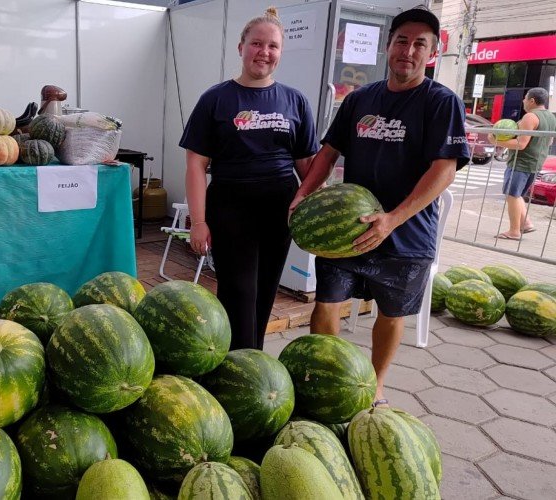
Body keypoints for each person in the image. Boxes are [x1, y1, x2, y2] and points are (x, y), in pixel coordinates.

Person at [289, 6, 470, 406]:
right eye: (401, 41)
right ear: (388, 47)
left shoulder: (441, 103)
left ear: (432, 53)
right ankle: (328, 379)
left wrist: (392, 219)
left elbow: (444, 170)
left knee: (391, 314)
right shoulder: (361, 99)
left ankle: (375, 384)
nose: (408, 51)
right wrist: (304, 192)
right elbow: (329, 151)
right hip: (348, 227)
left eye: (419, 44)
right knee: (327, 305)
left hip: (407, 234)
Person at [179, 7, 319, 350]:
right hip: (230, 206)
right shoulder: (216, 98)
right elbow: (196, 165)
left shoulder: (295, 101)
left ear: (280, 53)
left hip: (279, 207)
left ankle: (252, 362)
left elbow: (307, 166)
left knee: (266, 288)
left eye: (272, 46)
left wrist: (320, 208)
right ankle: (238, 365)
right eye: (257, 44)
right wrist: (198, 221)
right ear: (241, 47)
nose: (264, 52)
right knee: (238, 290)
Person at [490, 87, 556, 240]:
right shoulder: (551, 117)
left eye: (525, 98)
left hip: (521, 162)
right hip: (535, 161)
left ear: (532, 100)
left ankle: (514, 231)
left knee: (512, 195)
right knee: (516, 194)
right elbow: (550, 141)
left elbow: (521, 143)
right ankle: (526, 223)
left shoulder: (530, 117)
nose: (523, 100)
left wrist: (496, 140)